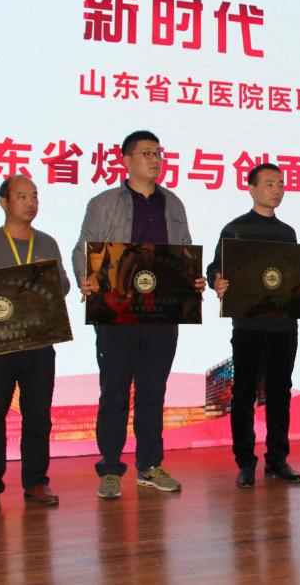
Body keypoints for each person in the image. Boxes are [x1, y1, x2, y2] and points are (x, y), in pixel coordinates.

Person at [72, 130, 206, 498]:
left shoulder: (173, 204)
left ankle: (149, 465)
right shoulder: (104, 203)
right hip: (116, 312)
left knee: (152, 392)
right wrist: (85, 277)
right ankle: (110, 469)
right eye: (147, 153)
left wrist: (193, 278)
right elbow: (83, 250)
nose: (155, 159)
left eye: (158, 153)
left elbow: (183, 250)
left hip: (162, 312)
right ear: (126, 160)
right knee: (114, 391)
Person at [208, 163, 300, 489]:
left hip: (284, 326)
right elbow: (216, 267)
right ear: (252, 189)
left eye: (281, 184)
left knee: (280, 393)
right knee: (243, 394)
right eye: (270, 183)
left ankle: (277, 460)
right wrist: (217, 280)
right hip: (248, 325)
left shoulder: (287, 232)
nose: (277, 189)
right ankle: (245, 462)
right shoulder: (235, 229)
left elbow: (291, 277)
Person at [0, 176, 71, 512]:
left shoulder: (47, 243)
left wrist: (48, 279)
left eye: (34, 196)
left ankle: (36, 481)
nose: (30, 203)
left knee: (38, 417)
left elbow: (64, 286)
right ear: (4, 202)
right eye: (22, 196)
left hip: (39, 344)